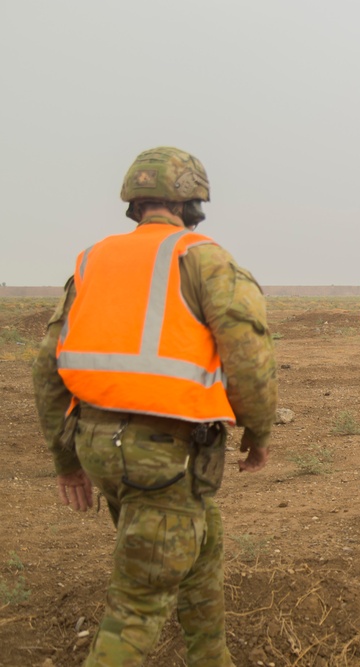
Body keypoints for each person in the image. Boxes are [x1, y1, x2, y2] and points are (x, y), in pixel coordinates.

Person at [32, 146, 278, 666]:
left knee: (201, 543)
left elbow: (46, 369)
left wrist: (68, 463)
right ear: (194, 203)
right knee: (139, 604)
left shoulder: (92, 261)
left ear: (134, 203)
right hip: (163, 458)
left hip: (103, 448)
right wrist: (258, 432)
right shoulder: (205, 259)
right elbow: (249, 357)